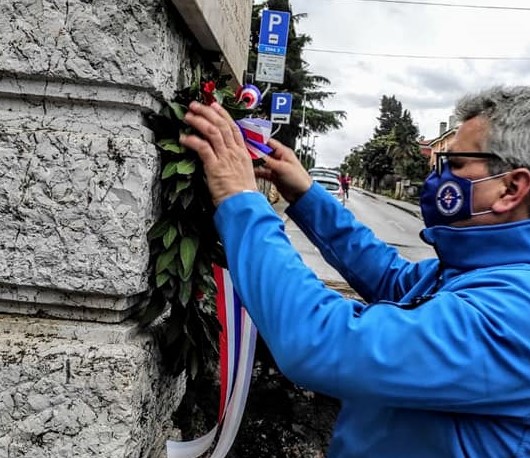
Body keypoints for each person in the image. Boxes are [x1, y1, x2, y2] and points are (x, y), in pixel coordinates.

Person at [179, 86, 530, 457]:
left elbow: (319, 339)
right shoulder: (474, 271)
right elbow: (392, 280)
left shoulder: (512, 312)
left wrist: (241, 202)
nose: (437, 177)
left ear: (511, 187)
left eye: (455, 165)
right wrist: (308, 196)